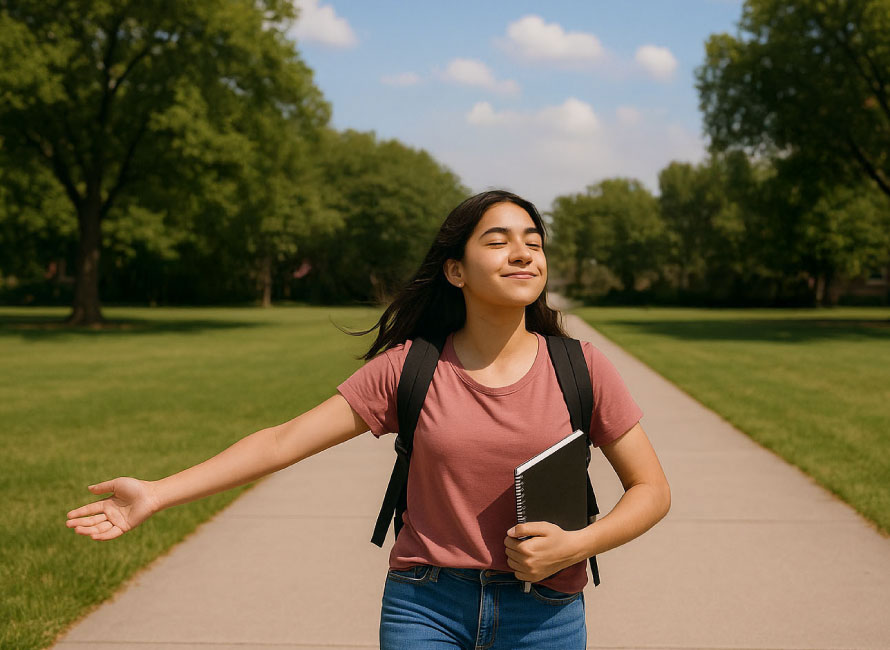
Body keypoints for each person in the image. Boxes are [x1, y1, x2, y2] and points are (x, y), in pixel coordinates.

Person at [66, 189, 671, 649]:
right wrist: (153, 493)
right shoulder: (409, 368)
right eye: (498, 240)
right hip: (425, 607)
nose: (523, 253)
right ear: (455, 271)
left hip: (547, 614)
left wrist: (578, 544)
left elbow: (652, 490)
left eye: (534, 242)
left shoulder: (581, 367)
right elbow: (281, 442)